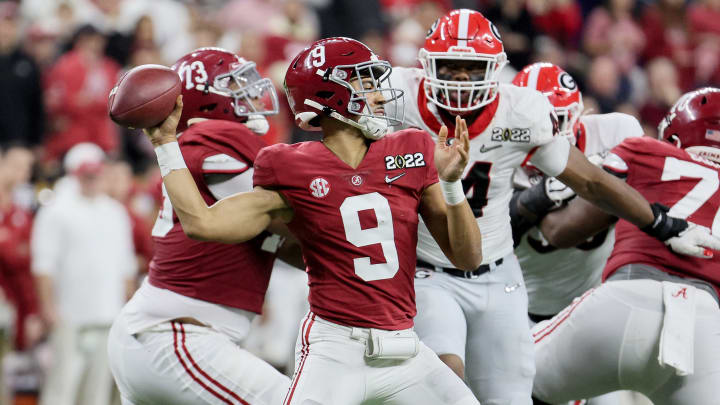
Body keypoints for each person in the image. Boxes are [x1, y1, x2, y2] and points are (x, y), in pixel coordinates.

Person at [383, 9, 720, 405]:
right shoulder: (395, 95)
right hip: (441, 270)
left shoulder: (549, 121)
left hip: (521, 282)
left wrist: (661, 223)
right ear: (426, 66)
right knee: (451, 380)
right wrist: (537, 200)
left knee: (514, 394)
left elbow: (591, 186)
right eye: (451, 66)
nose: (460, 79)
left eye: (472, 69)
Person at [145, 37, 483, 405]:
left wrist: (451, 186)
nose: (382, 96)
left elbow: (468, 258)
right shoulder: (290, 166)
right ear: (329, 93)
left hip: (406, 347)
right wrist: (165, 143)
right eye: (366, 84)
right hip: (337, 350)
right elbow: (203, 225)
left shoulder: (411, 149)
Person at [107, 47, 292, 405]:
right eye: (235, 85)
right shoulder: (213, 143)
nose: (250, 94)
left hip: (162, 330)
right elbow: (294, 220)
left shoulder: (195, 147)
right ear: (206, 100)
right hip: (174, 335)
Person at [531, 87, 720, 405]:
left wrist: (529, 205)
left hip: (627, 298)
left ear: (672, 138)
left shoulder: (646, 151)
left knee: (507, 376)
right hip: (704, 329)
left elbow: (564, 231)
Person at [511, 63, 653, 405]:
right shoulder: (494, 155)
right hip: (520, 315)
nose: (541, 134)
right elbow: (553, 231)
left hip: (597, 305)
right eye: (528, 122)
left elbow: (648, 195)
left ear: (577, 116)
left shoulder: (618, 130)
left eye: (553, 121)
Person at [31, 142, 137, 405]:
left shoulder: (114, 211)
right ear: (74, 174)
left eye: (95, 174)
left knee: (98, 392)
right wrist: (48, 307)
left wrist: (129, 309)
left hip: (108, 312)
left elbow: (125, 266)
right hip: (69, 315)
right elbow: (44, 265)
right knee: (62, 388)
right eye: (86, 174)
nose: (92, 180)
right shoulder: (56, 211)